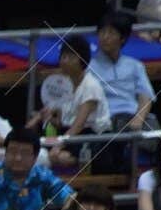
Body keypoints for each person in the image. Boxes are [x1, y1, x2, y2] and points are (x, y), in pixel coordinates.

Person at [31, 34, 110, 171]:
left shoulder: (91, 86)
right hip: (69, 133)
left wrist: (58, 146)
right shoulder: (63, 84)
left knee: (59, 157)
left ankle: (81, 162)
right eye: (62, 57)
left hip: (92, 136)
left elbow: (78, 126)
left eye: (70, 57)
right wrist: (47, 119)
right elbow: (63, 122)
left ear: (81, 60)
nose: (64, 61)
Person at [87, 10, 156, 161]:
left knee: (155, 130)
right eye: (102, 32)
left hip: (133, 118)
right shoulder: (89, 67)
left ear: (122, 38)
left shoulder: (135, 65)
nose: (105, 37)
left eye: (111, 33)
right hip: (107, 121)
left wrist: (138, 119)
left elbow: (146, 96)